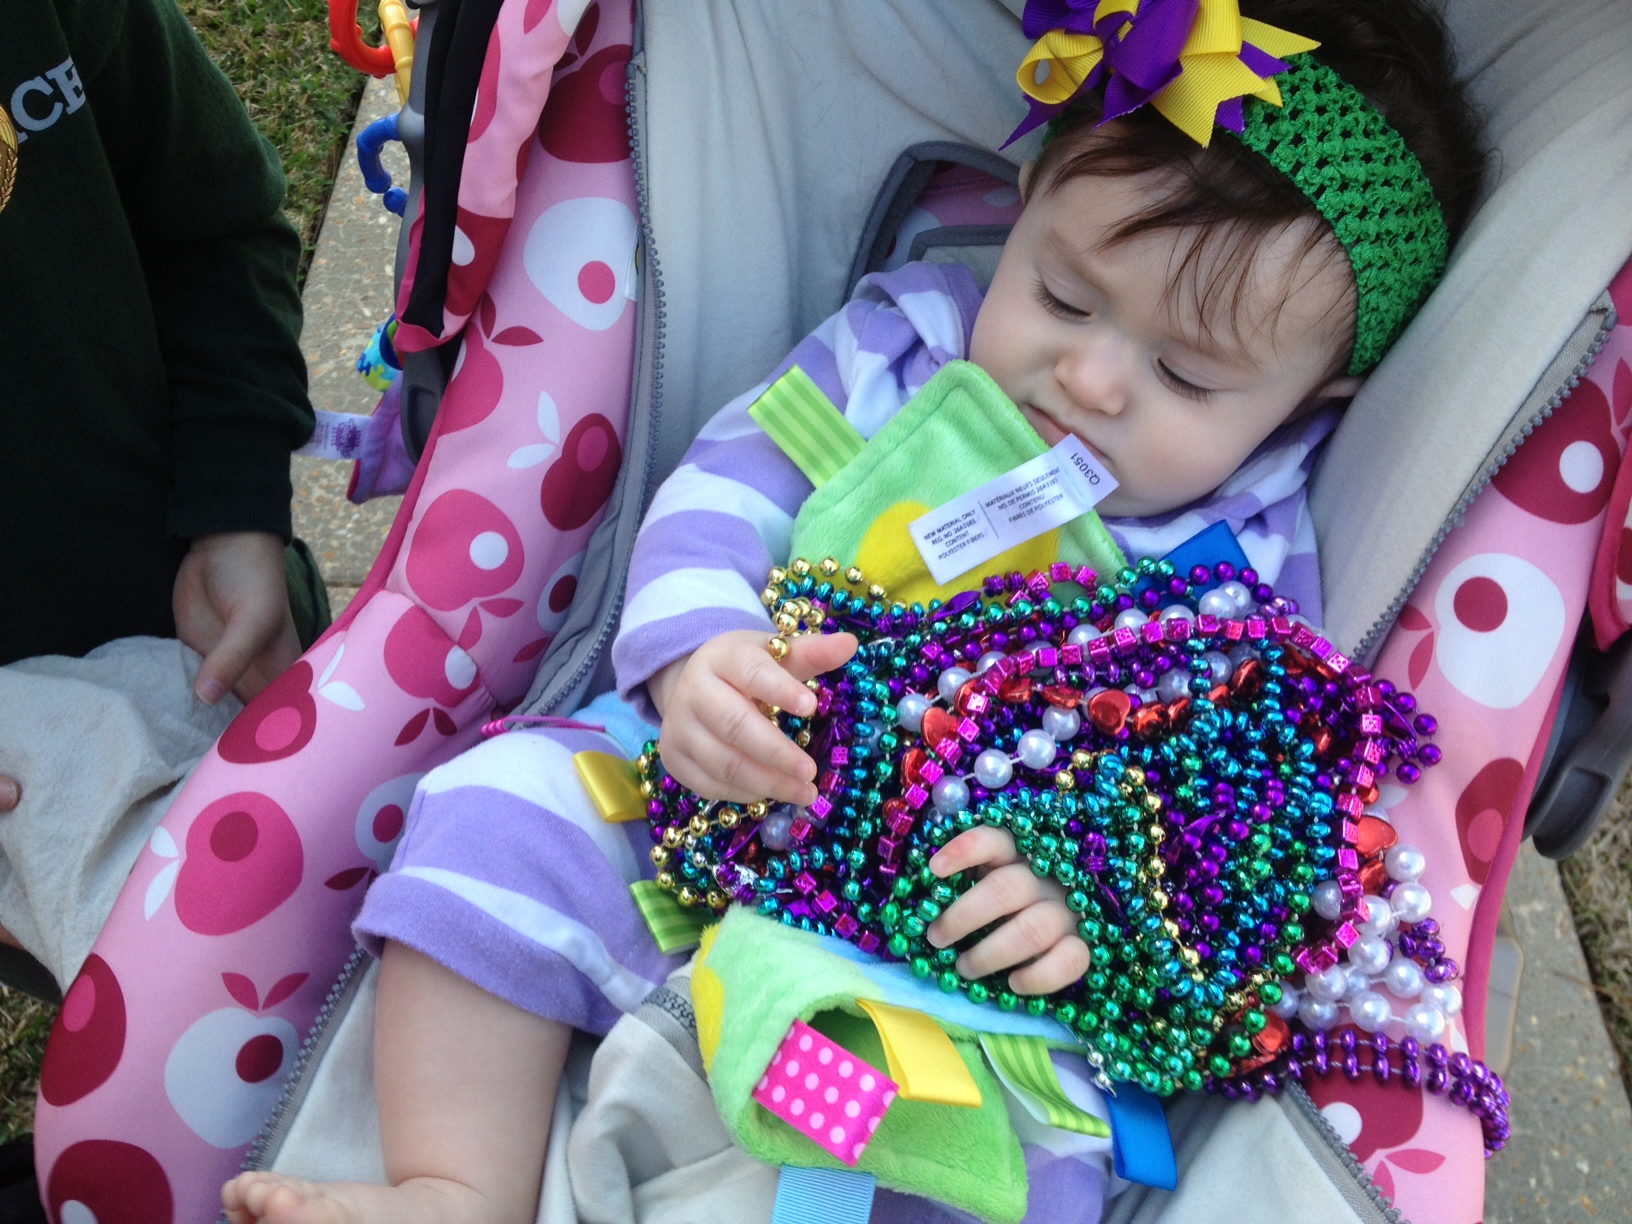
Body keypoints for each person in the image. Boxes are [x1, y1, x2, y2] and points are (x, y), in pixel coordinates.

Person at [223, 0, 1486, 1220]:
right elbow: (724, 491)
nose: (1093, 377)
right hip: (720, 795)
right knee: (498, 815)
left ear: (1305, 407)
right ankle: (455, 1185)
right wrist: (696, 659)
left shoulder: (1250, 561)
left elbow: (1248, 800)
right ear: (1027, 203)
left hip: (949, 948)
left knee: (1018, 1150)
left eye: (1187, 375)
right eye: (1063, 297)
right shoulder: (902, 348)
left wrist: (1091, 900)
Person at [0, 0, 322, 984]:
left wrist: (235, 509)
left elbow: (215, 226)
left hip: (207, 612)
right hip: (28, 785)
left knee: (309, 926)